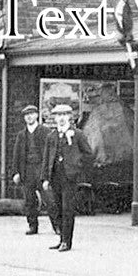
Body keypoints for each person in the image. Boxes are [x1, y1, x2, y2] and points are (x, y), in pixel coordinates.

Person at [40, 104, 93, 252]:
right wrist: (45, 178)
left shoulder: (77, 135)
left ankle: (66, 241)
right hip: (55, 175)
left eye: (64, 115)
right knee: (57, 207)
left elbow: (88, 155)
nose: (61, 118)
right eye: (58, 115)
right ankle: (61, 238)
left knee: (68, 208)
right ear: (55, 118)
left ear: (70, 116)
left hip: (70, 177)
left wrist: (77, 167)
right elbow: (46, 158)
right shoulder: (51, 136)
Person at [11, 105, 55, 236]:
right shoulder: (21, 135)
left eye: (32, 114)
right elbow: (16, 155)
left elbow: (51, 153)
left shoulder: (46, 132)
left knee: (50, 200)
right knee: (29, 201)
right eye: (26, 115)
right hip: (27, 170)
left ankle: (57, 226)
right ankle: (32, 226)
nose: (29, 117)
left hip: (41, 170)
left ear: (37, 115)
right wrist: (16, 172)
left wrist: (49, 171)